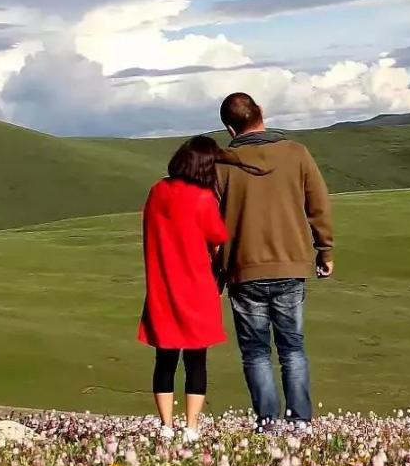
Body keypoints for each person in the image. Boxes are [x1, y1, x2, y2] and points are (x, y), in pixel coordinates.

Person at [215, 92, 333, 427]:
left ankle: (267, 423)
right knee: (292, 347)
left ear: (228, 127)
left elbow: (212, 223)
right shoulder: (296, 153)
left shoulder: (221, 164)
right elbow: (319, 205)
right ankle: (299, 422)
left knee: (256, 352)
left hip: (243, 269)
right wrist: (325, 250)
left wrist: (218, 272)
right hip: (291, 263)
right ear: (261, 112)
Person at [138, 136, 235, 433]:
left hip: (162, 287)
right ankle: (191, 428)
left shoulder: (157, 191)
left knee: (164, 360)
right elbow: (218, 237)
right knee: (196, 361)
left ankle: (166, 426)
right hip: (197, 288)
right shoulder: (203, 198)